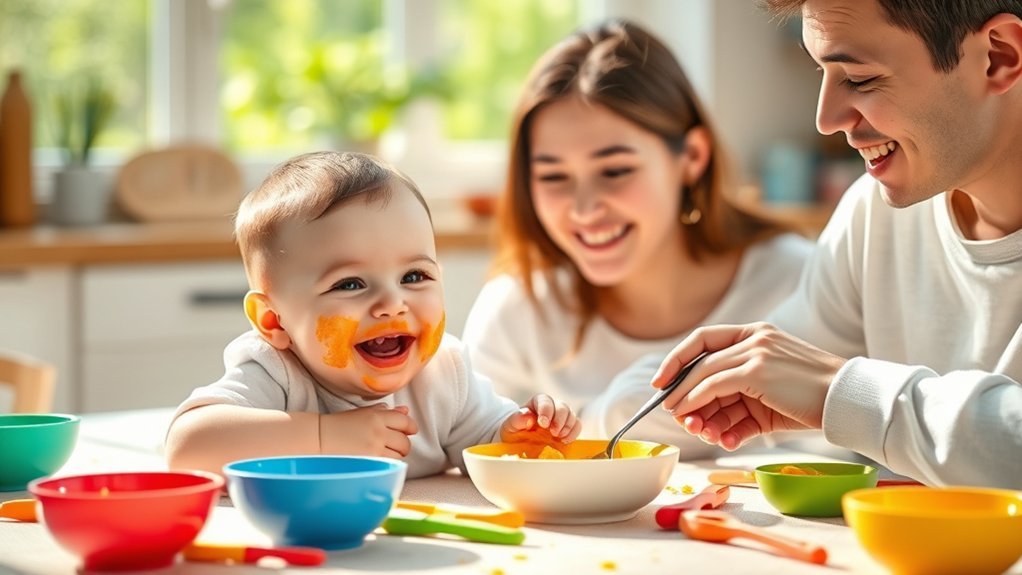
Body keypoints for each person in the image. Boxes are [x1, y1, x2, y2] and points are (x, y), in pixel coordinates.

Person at [655, 0, 1022, 488]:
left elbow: (822, 381)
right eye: (821, 73)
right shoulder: (875, 212)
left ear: (998, 56)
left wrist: (838, 391)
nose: (825, 119)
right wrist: (589, 423)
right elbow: (772, 371)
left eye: (860, 79)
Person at [461, 19, 815, 456]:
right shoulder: (518, 307)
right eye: (553, 176)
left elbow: (850, 455)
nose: (585, 208)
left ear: (692, 157)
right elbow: (466, 451)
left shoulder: (799, 280)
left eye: (615, 171)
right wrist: (611, 416)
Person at [165, 152, 581, 479]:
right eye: (350, 284)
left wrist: (519, 434)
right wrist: (324, 438)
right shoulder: (278, 372)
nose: (392, 304)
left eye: (414, 276)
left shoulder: (443, 372)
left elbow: (481, 443)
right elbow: (187, 447)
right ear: (274, 321)